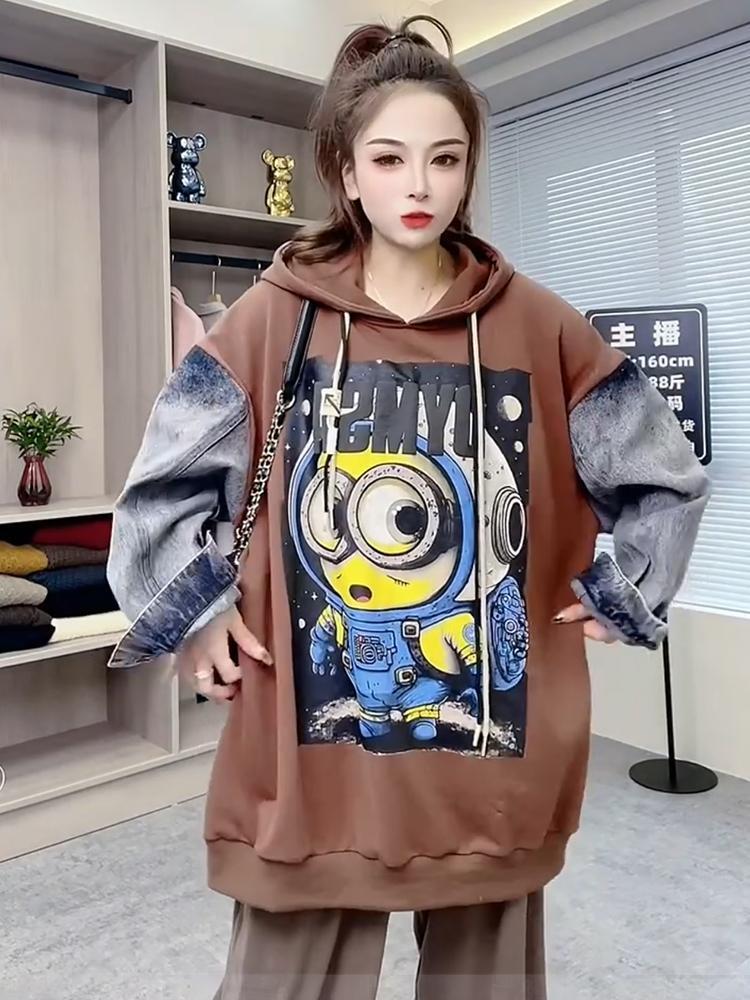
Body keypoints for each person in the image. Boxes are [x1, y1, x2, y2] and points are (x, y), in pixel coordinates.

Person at [106, 15, 710, 1000]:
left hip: (495, 754)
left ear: (469, 172)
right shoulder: (268, 320)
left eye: (445, 158)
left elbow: (664, 476)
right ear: (347, 174)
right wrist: (195, 610)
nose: (419, 185)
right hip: (311, 753)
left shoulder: (542, 324)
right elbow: (163, 488)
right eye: (389, 159)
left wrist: (625, 588)